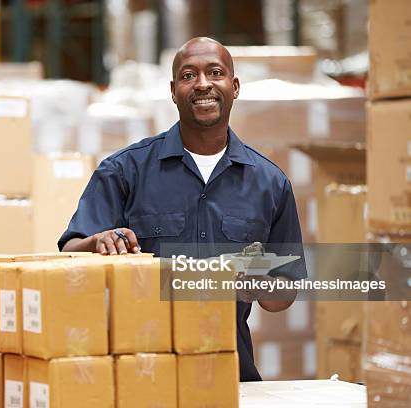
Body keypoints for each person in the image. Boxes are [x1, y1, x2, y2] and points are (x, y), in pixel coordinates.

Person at [58, 37, 306, 381]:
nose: (203, 84)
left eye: (215, 73)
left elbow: (283, 295)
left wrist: (257, 281)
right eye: (189, 76)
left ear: (234, 87)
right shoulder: (124, 171)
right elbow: (69, 254)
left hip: (230, 375)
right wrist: (97, 242)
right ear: (174, 91)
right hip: (142, 375)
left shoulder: (270, 184)